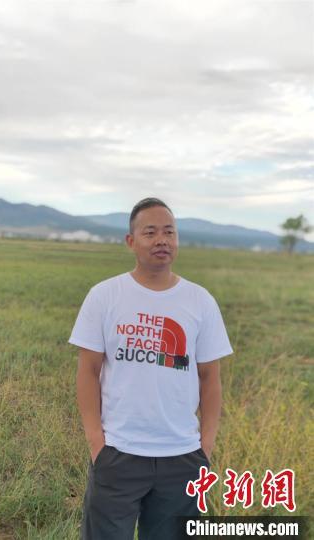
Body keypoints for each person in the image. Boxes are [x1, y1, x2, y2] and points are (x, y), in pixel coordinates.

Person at [68, 197, 233, 540]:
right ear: (131, 241)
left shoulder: (200, 301)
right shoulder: (104, 296)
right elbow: (88, 371)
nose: (162, 240)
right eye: (151, 232)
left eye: (169, 232)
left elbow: (210, 378)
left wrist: (205, 448)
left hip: (182, 456)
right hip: (118, 453)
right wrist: (96, 442)